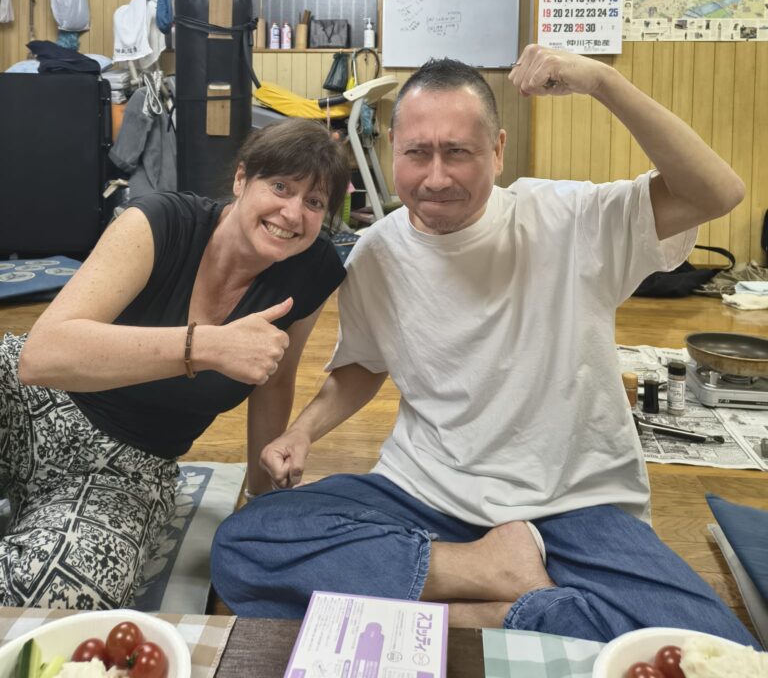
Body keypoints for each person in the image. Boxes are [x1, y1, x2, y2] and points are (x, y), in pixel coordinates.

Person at [210, 46, 760, 647]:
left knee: (715, 651)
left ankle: (479, 612)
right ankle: (502, 592)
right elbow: (364, 366)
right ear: (392, 148)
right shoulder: (376, 253)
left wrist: (603, 81)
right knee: (245, 546)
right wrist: (302, 432)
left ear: (497, 150)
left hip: (573, 505)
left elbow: (716, 192)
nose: (436, 177)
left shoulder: (570, 219)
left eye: (458, 153)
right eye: (417, 153)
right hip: (420, 494)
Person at [0, 118, 349, 609]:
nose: (292, 213)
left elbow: (274, 381)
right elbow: (41, 357)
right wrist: (205, 346)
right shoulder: (159, 222)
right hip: (27, 402)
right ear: (241, 179)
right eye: (280, 187)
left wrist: (260, 498)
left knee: (61, 589)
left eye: (314, 202)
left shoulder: (313, 270)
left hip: (125, 468)